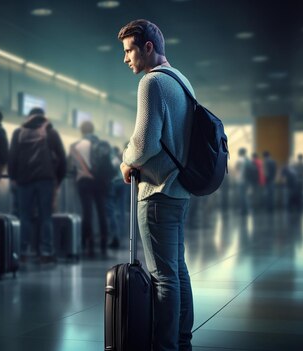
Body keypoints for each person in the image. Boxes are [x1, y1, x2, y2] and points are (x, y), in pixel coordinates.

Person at [117, 19, 194, 350]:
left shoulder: (151, 83)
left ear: (147, 47)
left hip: (158, 191)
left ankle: (164, 345)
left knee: (164, 277)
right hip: (180, 189)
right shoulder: (182, 80)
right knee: (177, 270)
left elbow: (144, 142)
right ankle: (181, 336)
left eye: (129, 50)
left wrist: (125, 159)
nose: (126, 58)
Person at [8, 107, 66, 264]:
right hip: (45, 180)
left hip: (23, 180)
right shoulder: (50, 132)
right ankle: (46, 252)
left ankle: (23, 252)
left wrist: (13, 177)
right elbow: (61, 157)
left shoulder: (19, 132)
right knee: (45, 216)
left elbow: (12, 157)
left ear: (29, 117)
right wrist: (58, 180)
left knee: (24, 216)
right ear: (43, 117)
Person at [69, 121, 110, 256]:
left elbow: (70, 166)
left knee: (87, 212)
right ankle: (104, 241)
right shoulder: (102, 144)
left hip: (84, 181)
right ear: (93, 130)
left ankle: (88, 242)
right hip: (100, 182)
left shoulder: (76, 146)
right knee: (101, 212)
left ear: (81, 131)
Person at [106, 145, 124, 249]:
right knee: (120, 209)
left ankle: (115, 235)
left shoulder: (110, 157)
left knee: (111, 209)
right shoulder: (118, 158)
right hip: (122, 182)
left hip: (113, 183)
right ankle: (121, 235)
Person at [235, 148, 252, 214]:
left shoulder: (239, 160)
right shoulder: (247, 160)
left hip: (241, 180)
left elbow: (237, 169)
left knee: (242, 196)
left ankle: (243, 210)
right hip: (247, 180)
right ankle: (247, 209)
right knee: (245, 195)